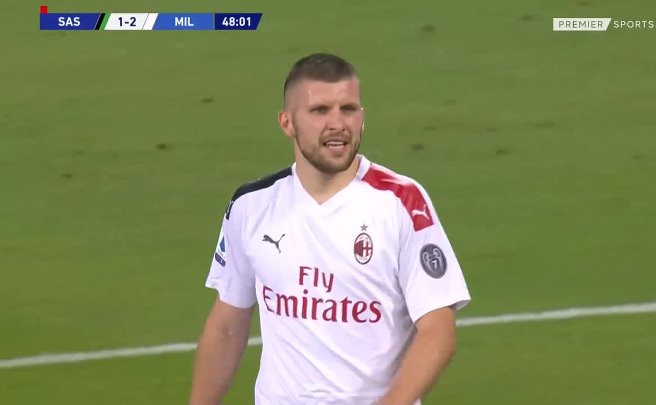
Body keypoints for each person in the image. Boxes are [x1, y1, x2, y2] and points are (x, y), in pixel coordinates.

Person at [189, 53, 471, 405]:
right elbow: (228, 326)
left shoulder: (402, 202)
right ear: (287, 123)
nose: (338, 123)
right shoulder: (252, 206)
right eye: (320, 110)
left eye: (348, 109)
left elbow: (437, 329)